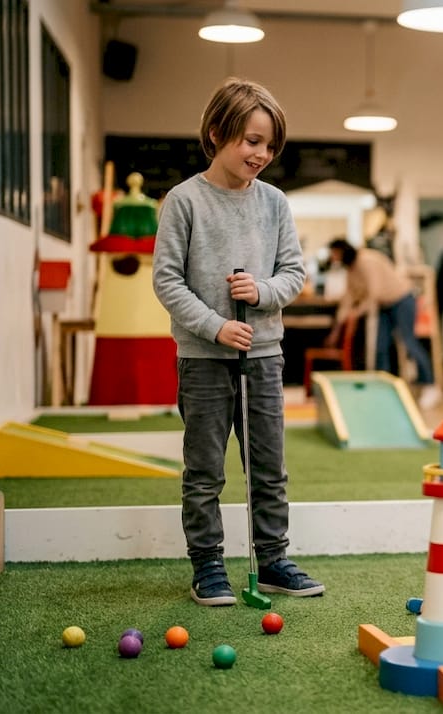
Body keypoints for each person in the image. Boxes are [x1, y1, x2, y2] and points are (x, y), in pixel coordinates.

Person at [153, 77, 323, 606]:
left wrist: (264, 291)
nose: (261, 153)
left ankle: (272, 560)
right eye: (251, 140)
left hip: (265, 357)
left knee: (268, 468)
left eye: (269, 145)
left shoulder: (274, 204)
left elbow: (293, 272)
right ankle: (207, 565)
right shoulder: (183, 201)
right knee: (205, 469)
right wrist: (215, 325)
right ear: (216, 132)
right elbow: (167, 280)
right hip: (203, 358)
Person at [326, 238, 441, 410]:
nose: (333, 258)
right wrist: (339, 322)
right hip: (384, 306)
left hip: (402, 299)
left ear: (343, 250)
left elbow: (374, 293)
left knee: (409, 342)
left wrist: (356, 313)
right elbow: (348, 298)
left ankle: (431, 386)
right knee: (381, 347)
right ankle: (383, 391)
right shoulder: (351, 269)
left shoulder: (366, 260)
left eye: (335, 253)